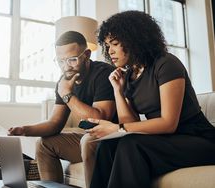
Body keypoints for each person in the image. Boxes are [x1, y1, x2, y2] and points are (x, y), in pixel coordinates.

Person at [86, 11, 215, 188]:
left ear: (135, 40)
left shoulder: (166, 63)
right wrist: (118, 91)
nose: (110, 51)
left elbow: (169, 123)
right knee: (108, 147)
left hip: (198, 139)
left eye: (115, 43)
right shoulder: (130, 75)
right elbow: (130, 124)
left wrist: (116, 128)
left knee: (131, 145)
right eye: (107, 45)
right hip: (166, 141)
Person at [9, 31, 117, 188]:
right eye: (60, 61)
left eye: (72, 60)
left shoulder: (103, 73)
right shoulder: (64, 81)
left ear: (86, 54)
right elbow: (55, 123)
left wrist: (67, 94)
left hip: (112, 138)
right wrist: (25, 130)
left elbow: (99, 119)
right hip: (89, 138)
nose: (66, 66)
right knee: (44, 144)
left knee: (88, 141)